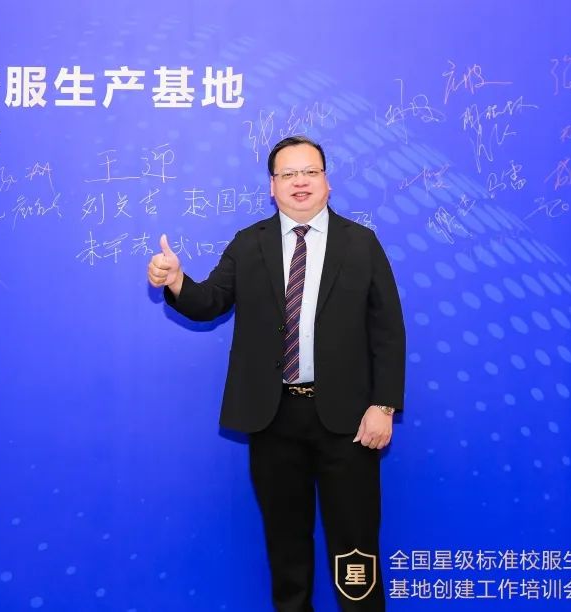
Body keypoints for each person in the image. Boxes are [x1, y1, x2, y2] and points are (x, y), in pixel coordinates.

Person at [147, 135, 405, 611]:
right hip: (273, 418)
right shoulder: (250, 244)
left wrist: (383, 406)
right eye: (288, 174)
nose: (299, 182)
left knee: (356, 548)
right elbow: (209, 302)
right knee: (286, 547)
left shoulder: (361, 243)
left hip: (348, 420)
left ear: (327, 181)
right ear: (272, 186)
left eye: (310, 171)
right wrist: (178, 280)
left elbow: (388, 331)